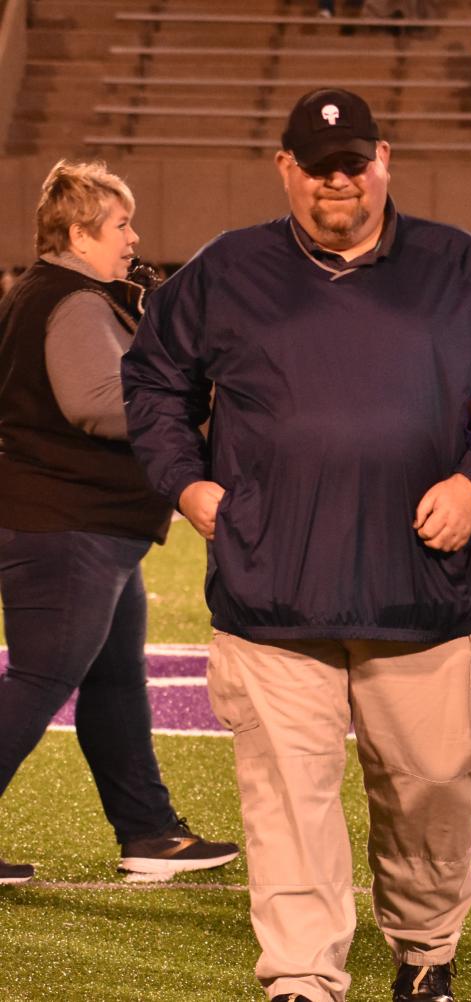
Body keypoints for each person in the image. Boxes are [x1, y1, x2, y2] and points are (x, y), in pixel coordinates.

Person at [120, 88, 471, 1002]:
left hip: (425, 589)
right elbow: (154, 381)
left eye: (353, 164)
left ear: (383, 159)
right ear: (285, 169)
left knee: (434, 786)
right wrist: (187, 481)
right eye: (317, 167)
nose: (337, 182)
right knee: (286, 802)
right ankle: (302, 976)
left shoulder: (464, 265)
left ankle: (425, 947)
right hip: (272, 586)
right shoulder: (224, 270)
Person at [0, 161, 240, 886]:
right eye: (121, 225)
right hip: (68, 522)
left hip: (82, 523)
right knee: (42, 677)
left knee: (113, 681)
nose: (134, 238)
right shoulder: (71, 298)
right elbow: (98, 401)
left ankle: (148, 831)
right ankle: (147, 829)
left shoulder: (49, 291)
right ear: (79, 233)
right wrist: (194, 398)